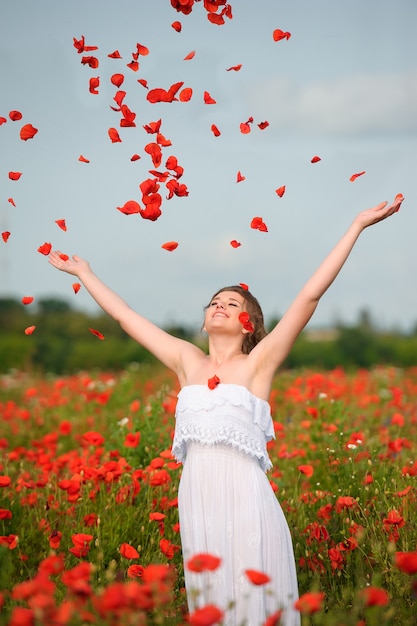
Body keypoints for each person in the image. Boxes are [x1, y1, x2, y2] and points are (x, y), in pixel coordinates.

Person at [48, 197, 402, 625]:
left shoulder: (258, 365)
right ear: (203, 321)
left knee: (251, 602)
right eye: (214, 301)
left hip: (246, 501)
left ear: (249, 321)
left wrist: (358, 225)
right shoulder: (186, 361)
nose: (219, 305)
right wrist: (84, 273)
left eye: (232, 304)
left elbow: (310, 296)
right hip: (197, 502)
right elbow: (125, 316)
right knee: (214, 605)